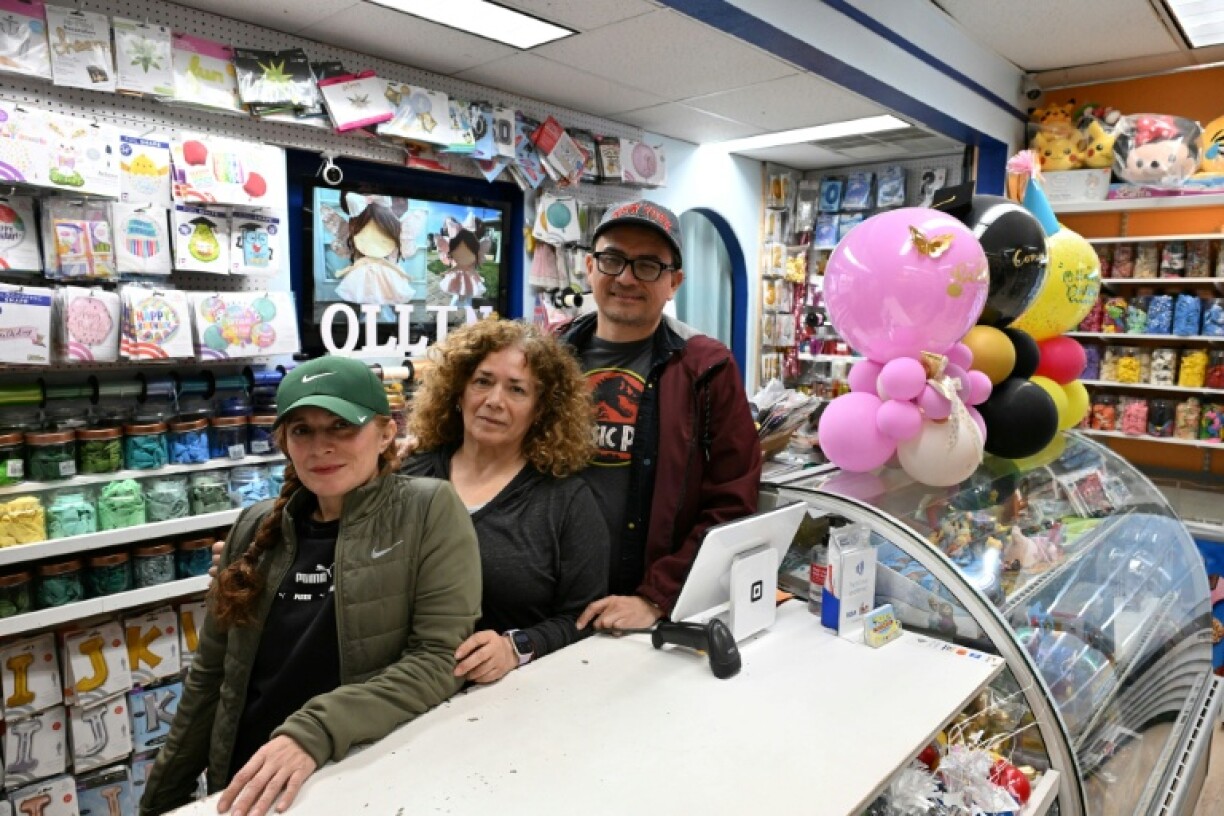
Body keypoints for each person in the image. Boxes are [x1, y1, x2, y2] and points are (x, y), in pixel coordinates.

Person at [141, 357, 481, 816]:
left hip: (357, 776)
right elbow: (211, 676)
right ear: (284, 442)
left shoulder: (427, 510)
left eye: (342, 426)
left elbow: (438, 660)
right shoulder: (254, 527)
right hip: (247, 783)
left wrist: (313, 731)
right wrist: (162, 799)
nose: (321, 446)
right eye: (302, 430)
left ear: (385, 433)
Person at [566, 200, 762, 632]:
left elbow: (732, 499)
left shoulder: (707, 367)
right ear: (589, 267)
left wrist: (657, 596)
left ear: (674, 282)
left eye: (648, 265)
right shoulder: (548, 354)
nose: (626, 277)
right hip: (549, 599)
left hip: (639, 610)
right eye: (613, 259)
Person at [401, 319, 609, 684]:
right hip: (402, 683)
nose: (494, 401)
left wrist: (518, 647)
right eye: (482, 382)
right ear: (458, 390)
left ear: (540, 409)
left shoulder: (566, 501)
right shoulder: (407, 473)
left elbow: (583, 619)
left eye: (517, 390)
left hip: (506, 696)